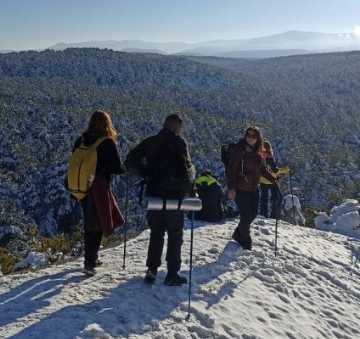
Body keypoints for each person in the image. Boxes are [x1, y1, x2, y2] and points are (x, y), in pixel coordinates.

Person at [126, 114, 195, 286]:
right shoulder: (180, 143)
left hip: (154, 194)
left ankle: (151, 270)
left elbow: (130, 161)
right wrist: (190, 191)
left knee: (156, 233)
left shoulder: (151, 142)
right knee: (175, 234)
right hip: (174, 196)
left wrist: (146, 174)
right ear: (178, 127)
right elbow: (187, 171)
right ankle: (172, 274)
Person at [70, 110, 125, 276]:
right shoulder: (106, 142)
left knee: (90, 222)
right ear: (107, 124)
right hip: (99, 188)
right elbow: (116, 167)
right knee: (98, 223)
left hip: (81, 188)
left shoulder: (81, 140)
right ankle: (90, 261)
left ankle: (91, 258)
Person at [227, 127, 277, 250]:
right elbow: (231, 170)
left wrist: (273, 178)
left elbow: (262, 169)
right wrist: (232, 188)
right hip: (240, 188)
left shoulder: (258, 151)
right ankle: (245, 242)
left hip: (254, 188)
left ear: (258, 138)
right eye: (248, 135)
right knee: (246, 215)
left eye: (253, 136)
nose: (250, 138)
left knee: (253, 214)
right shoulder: (239, 150)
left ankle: (238, 233)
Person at [259, 140, 289, 218]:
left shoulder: (261, 157)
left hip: (263, 180)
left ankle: (263, 215)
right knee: (278, 197)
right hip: (270, 180)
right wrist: (285, 170)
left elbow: (270, 170)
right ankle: (274, 215)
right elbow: (274, 170)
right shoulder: (269, 157)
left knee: (264, 199)